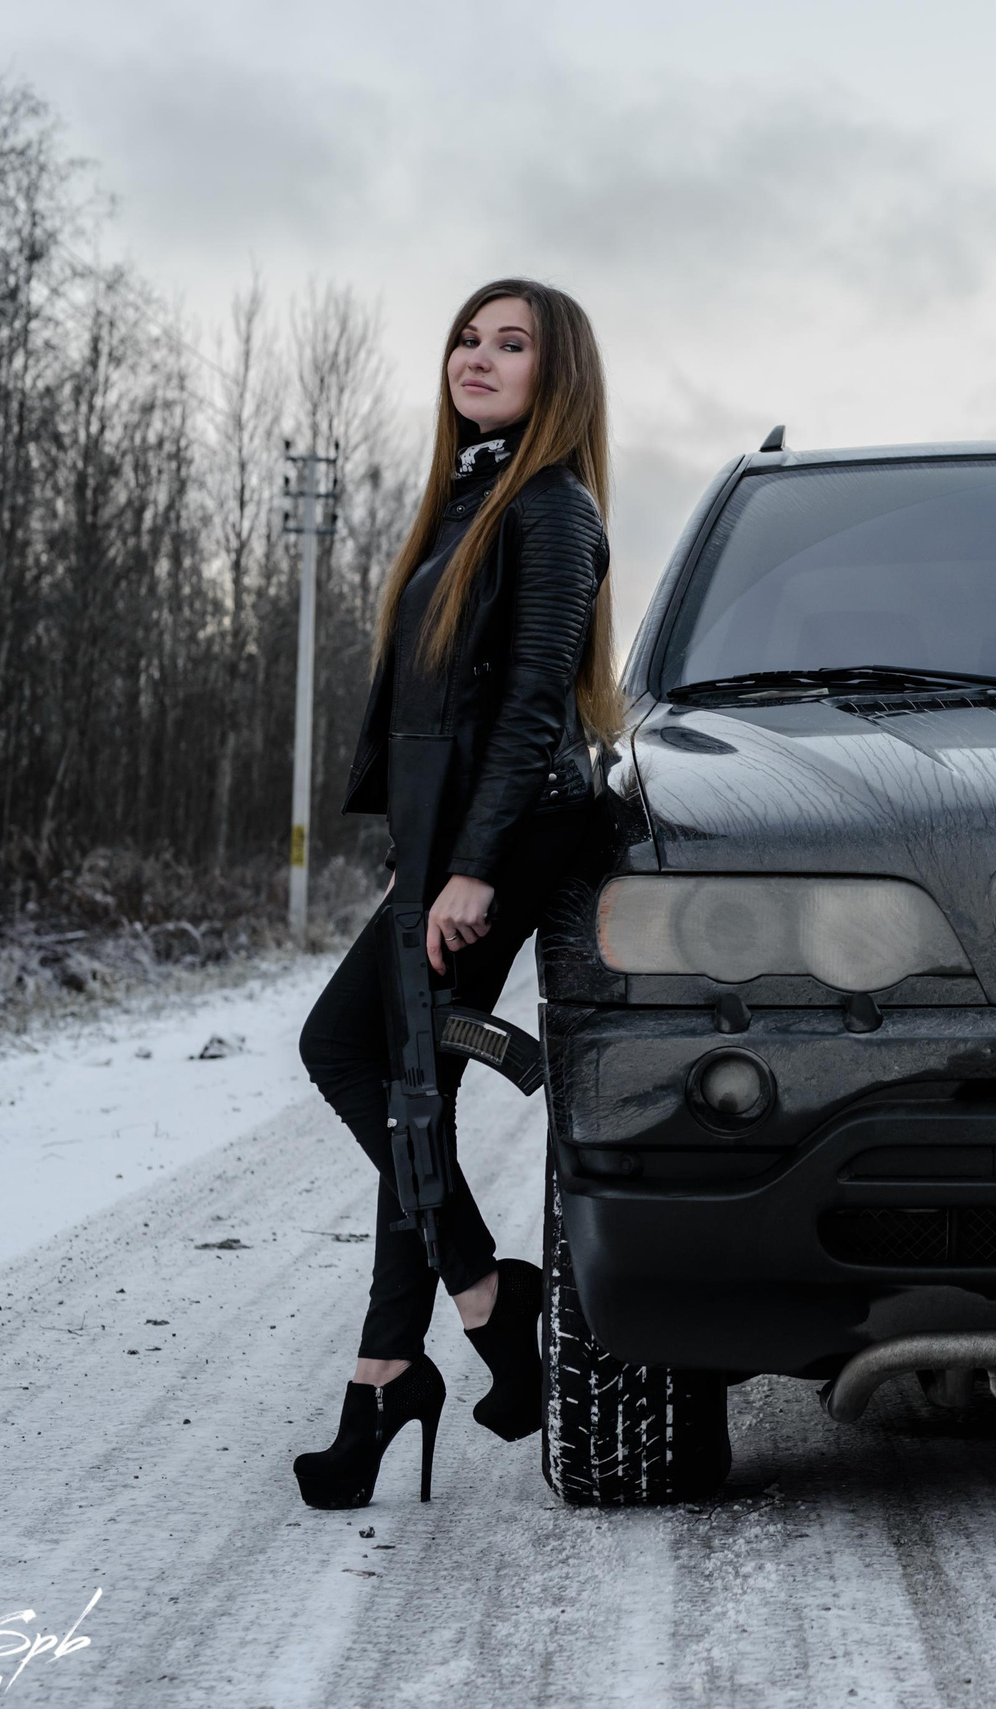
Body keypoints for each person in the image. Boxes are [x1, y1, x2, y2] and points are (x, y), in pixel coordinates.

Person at [290, 278, 620, 1509]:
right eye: (466, 338)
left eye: (511, 342)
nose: (475, 357)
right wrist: (421, 851)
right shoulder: (472, 496)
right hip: (461, 842)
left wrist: (471, 864)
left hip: (512, 837)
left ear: (558, 373)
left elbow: (535, 702)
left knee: (352, 1050)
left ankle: (473, 1307)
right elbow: (443, 707)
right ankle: (398, 1365)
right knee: (403, 1084)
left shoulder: (550, 508)